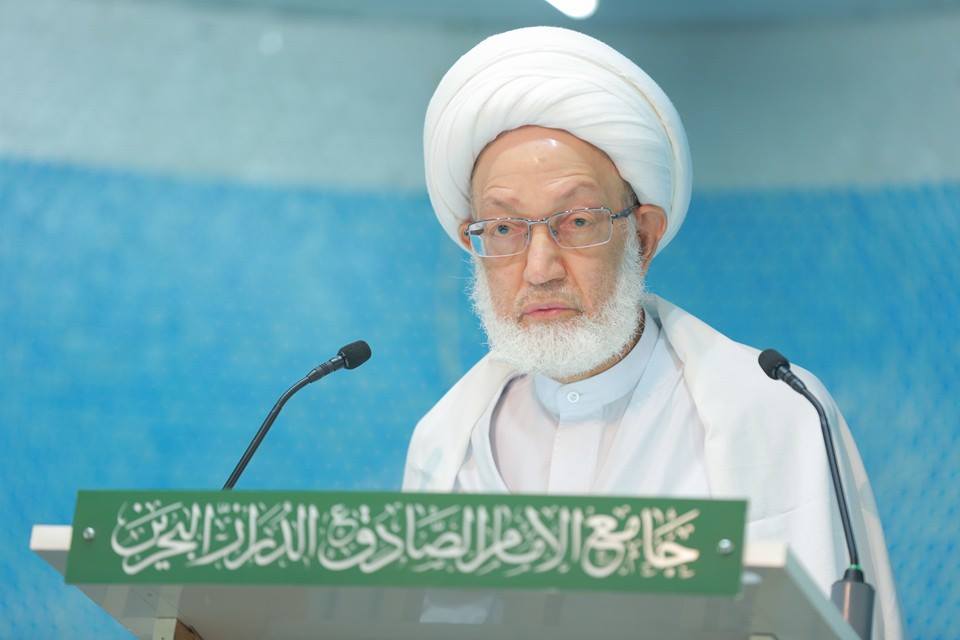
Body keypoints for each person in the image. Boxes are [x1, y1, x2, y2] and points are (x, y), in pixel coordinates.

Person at [403, 26, 902, 637]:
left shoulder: (775, 414)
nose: (539, 268)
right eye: (504, 229)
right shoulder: (446, 444)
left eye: (577, 221)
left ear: (642, 236)